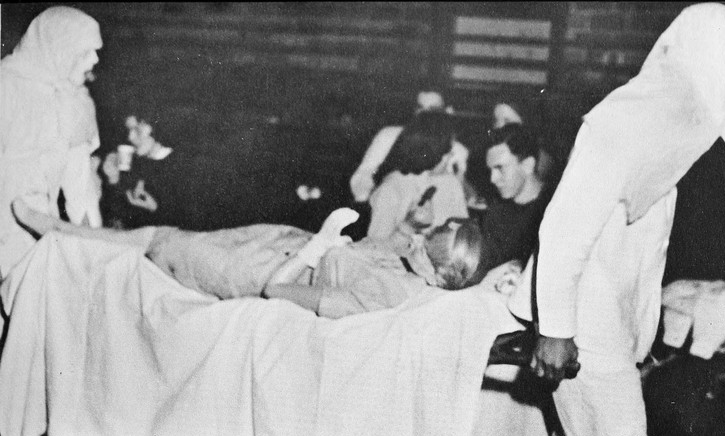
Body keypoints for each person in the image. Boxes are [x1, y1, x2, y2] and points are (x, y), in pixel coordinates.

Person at [507, 4, 725, 436]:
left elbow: (641, 252)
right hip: (582, 323)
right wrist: (556, 330)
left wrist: (638, 338)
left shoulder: (668, 133)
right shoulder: (622, 122)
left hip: (606, 327)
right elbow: (564, 229)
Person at [12, 199, 485, 319]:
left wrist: (320, 245)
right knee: (163, 236)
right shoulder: (407, 264)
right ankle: (66, 235)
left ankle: (62, 235)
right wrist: (407, 227)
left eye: (427, 240)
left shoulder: (388, 296)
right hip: (279, 239)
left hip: (260, 271)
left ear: (437, 270)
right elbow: (378, 250)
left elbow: (277, 291)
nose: (416, 239)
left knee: (161, 243)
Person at [0, 6, 104, 280]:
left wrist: (95, 246)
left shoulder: (75, 101)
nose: (95, 59)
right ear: (58, 48)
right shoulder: (6, 86)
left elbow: (79, 185)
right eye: (86, 52)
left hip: (42, 238)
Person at [349, 90, 469, 203]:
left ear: (449, 111)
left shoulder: (458, 149)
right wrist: (369, 198)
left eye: (432, 109)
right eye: (420, 108)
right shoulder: (389, 135)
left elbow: (457, 191)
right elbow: (364, 173)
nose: (424, 115)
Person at [367, 111, 469, 240]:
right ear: (433, 151)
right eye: (448, 150)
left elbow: (464, 233)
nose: (451, 156)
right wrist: (409, 226)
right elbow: (375, 247)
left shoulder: (450, 183)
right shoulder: (391, 189)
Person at [479, 123, 554, 274]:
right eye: (490, 170)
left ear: (527, 165)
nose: (493, 179)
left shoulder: (554, 208)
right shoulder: (496, 212)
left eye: (500, 168)